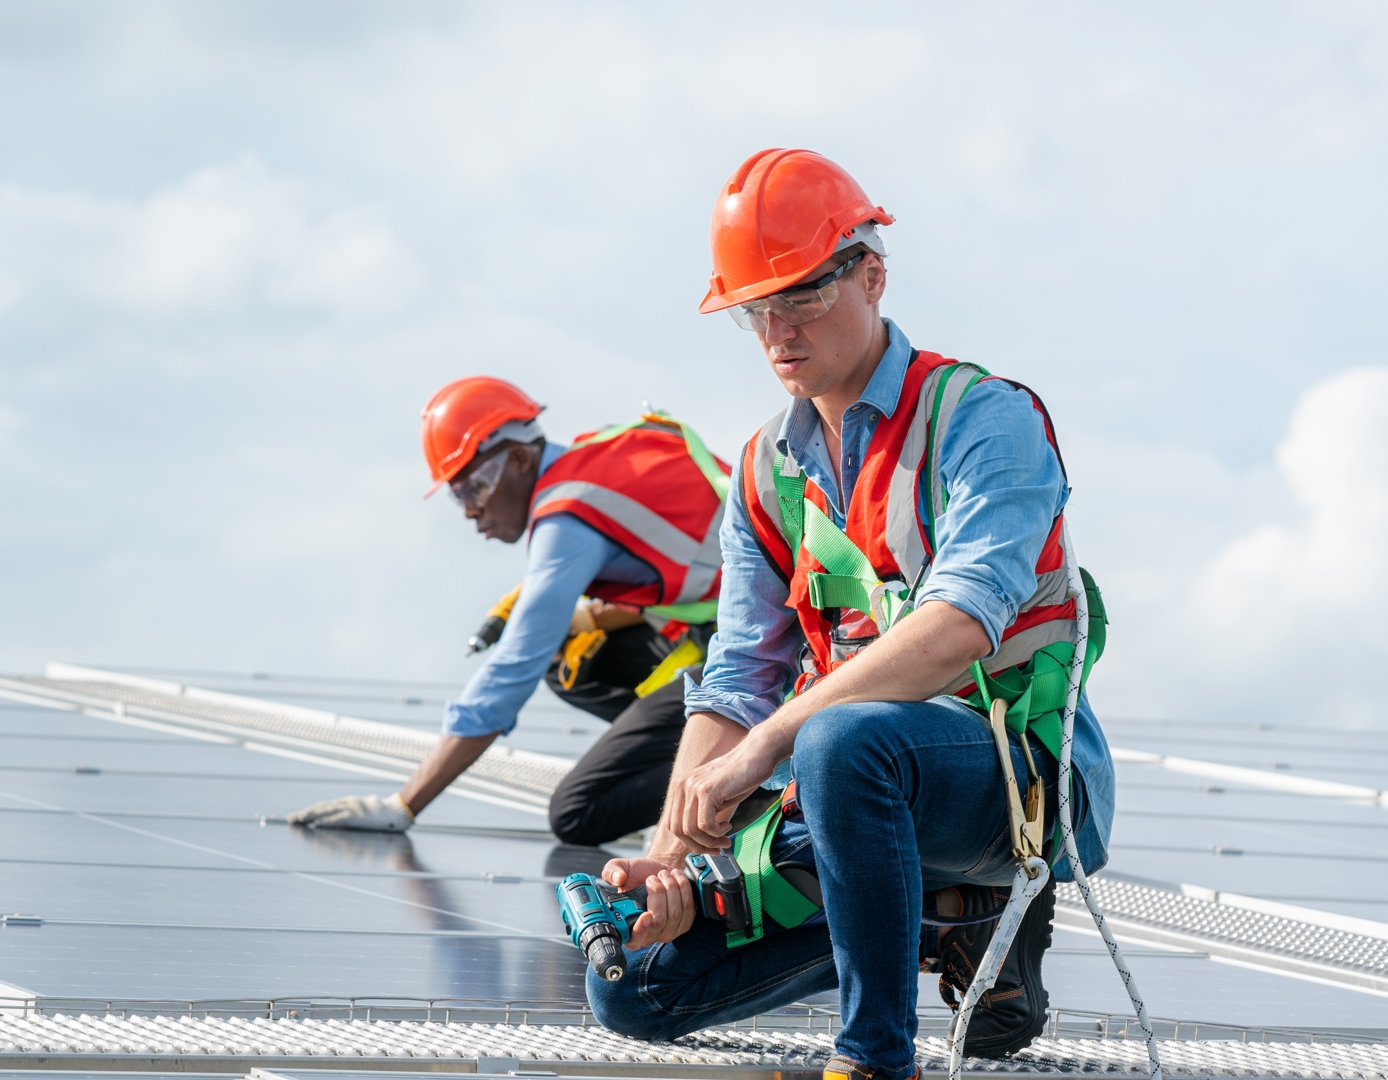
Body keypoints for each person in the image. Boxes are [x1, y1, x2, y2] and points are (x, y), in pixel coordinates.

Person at [585, 149, 1115, 1080]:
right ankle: (947, 917)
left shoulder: (981, 420)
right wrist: (664, 859)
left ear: (871, 275)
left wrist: (765, 747)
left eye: (802, 296)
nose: (778, 331)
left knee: (837, 743)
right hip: (856, 786)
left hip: (1017, 775)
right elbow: (741, 670)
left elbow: (958, 624)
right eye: (755, 309)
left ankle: (875, 1058)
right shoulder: (764, 472)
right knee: (631, 987)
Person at [288, 378, 730, 846]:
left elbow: (513, 667)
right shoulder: (595, 455)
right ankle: (697, 748)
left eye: (473, 488)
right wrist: (583, 617)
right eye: (458, 495)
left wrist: (404, 803)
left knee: (580, 812)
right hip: (757, 629)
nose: (469, 511)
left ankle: (750, 777)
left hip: (764, 654)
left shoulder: (567, 518)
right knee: (573, 662)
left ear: (520, 458)